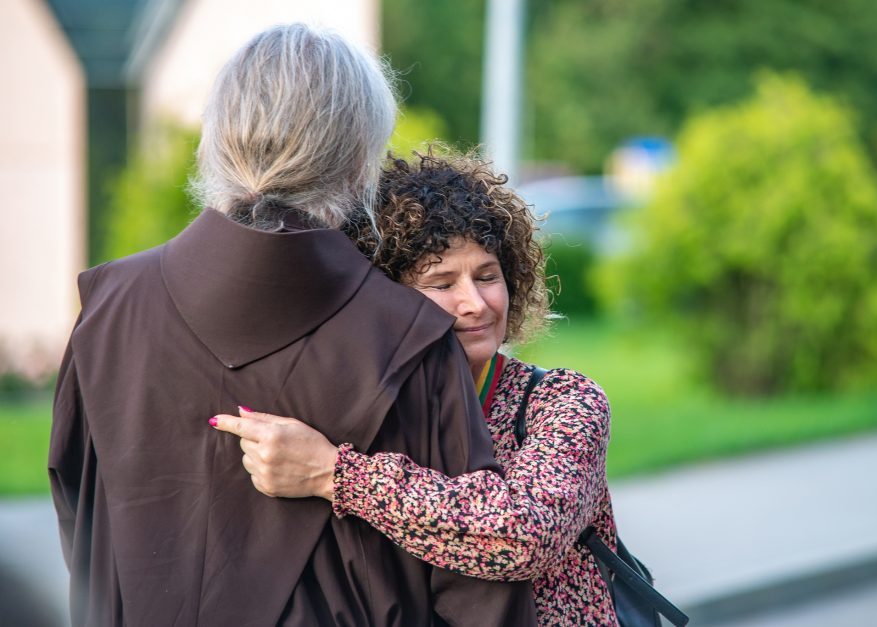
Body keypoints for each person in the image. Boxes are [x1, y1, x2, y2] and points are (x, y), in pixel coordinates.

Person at [48, 26, 535, 626]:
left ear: (218, 141)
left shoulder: (106, 308)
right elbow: (481, 595)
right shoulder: (410, 338)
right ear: (360, 157)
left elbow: (81, 528)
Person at [213, 152, 620, 625]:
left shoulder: (564, 401)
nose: (475, 303)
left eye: (488, 276)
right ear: (384, 302)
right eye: (441, 283)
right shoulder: (369, 410)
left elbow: (524, 537)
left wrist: (332, 474)